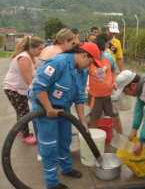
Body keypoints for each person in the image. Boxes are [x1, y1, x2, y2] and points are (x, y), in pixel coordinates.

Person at [29, 43, 101, 189]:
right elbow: (39, 87)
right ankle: (51, 182)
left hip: (63, 110)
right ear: (83, 55)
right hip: (45, 109)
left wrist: (82, 121)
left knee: (65, 139)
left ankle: (66, 168)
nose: (90, 66)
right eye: (90, 62)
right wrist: (48, 108)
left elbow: (80, 97)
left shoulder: (82, 71)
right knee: (49, 146)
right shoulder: (58, 63)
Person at [3, 36, 44, 145]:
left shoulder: (30, 56)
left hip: (17, 88)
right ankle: (25, 135)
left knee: (20, 111)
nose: (41, 51)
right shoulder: (24, 58)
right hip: (14, 89)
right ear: (32, 48)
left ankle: (20, 130)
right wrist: (39, 93)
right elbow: (28, 80)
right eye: (40, 49)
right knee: (24, 112)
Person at [87, 33, 121, 133]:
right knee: (93, 119)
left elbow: (113, 71)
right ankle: (93, 142)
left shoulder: (108, 57)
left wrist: (114, 82)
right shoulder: (91, 58)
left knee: (115, 118)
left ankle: (122, 141)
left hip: (109, 96)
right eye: (107, 43)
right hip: (94, 96)